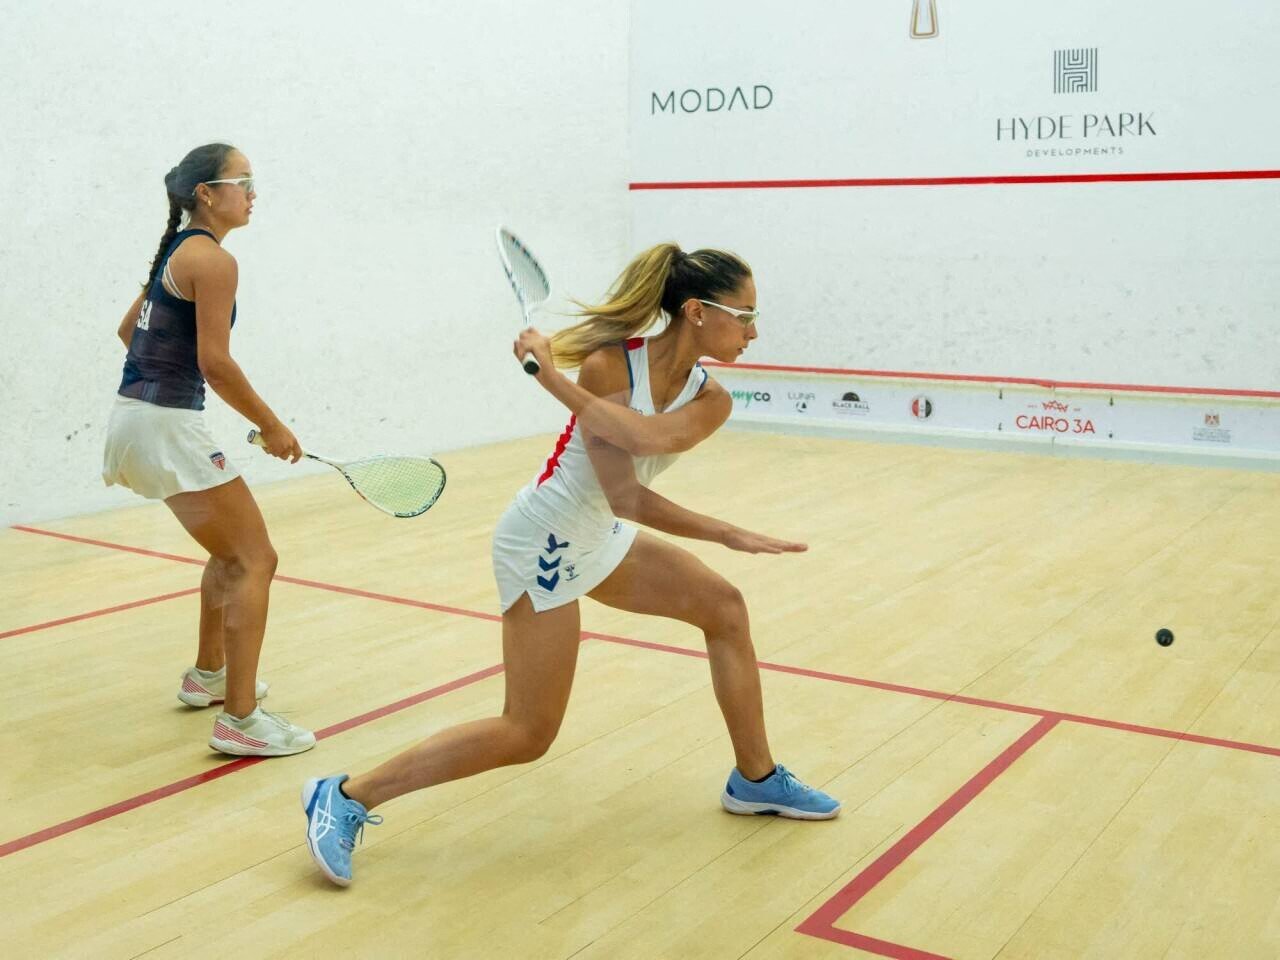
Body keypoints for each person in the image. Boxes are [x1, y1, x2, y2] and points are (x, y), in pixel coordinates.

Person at [301, 243, 839, 886]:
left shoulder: (712, 399)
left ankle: (755, 779)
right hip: (544, 541)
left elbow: (649, 438)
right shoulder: (610, 365)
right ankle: (345, 795)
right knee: (527, 732)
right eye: (744, 315)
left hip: (597, 534)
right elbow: (626, 491)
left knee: (724, 609)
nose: (753, 332)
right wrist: (724, 531)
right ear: (697, 311)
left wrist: (549, 377)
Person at [102, 143, 315, 757]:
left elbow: (129, 331)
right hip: (165, 425)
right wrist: (272, 426)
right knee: (255, 559)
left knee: (229, 554)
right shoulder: (214, 261)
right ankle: (240, 720)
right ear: (207, 193)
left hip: (133, 419)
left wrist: (168, 392)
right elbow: (215, 363)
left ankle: (209, 675)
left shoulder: (178, 251)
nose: (253, 193)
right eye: (243, 181)